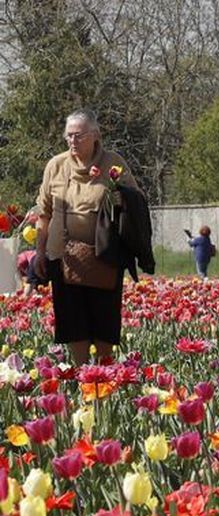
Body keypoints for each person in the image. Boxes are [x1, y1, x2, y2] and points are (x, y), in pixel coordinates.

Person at [33, 109, 141, 364]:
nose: (72, 141)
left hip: (104, 256)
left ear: (95, 135)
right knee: (72, 323)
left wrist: (120, 197)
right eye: (68, 136)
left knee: (104, 322)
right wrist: (40, 252)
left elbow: (136, 202)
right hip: (63, 257)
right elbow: (43, 213)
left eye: (78, 136)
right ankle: (82, 374)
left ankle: (105, 375)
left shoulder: (113, 163)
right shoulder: (56, 166)